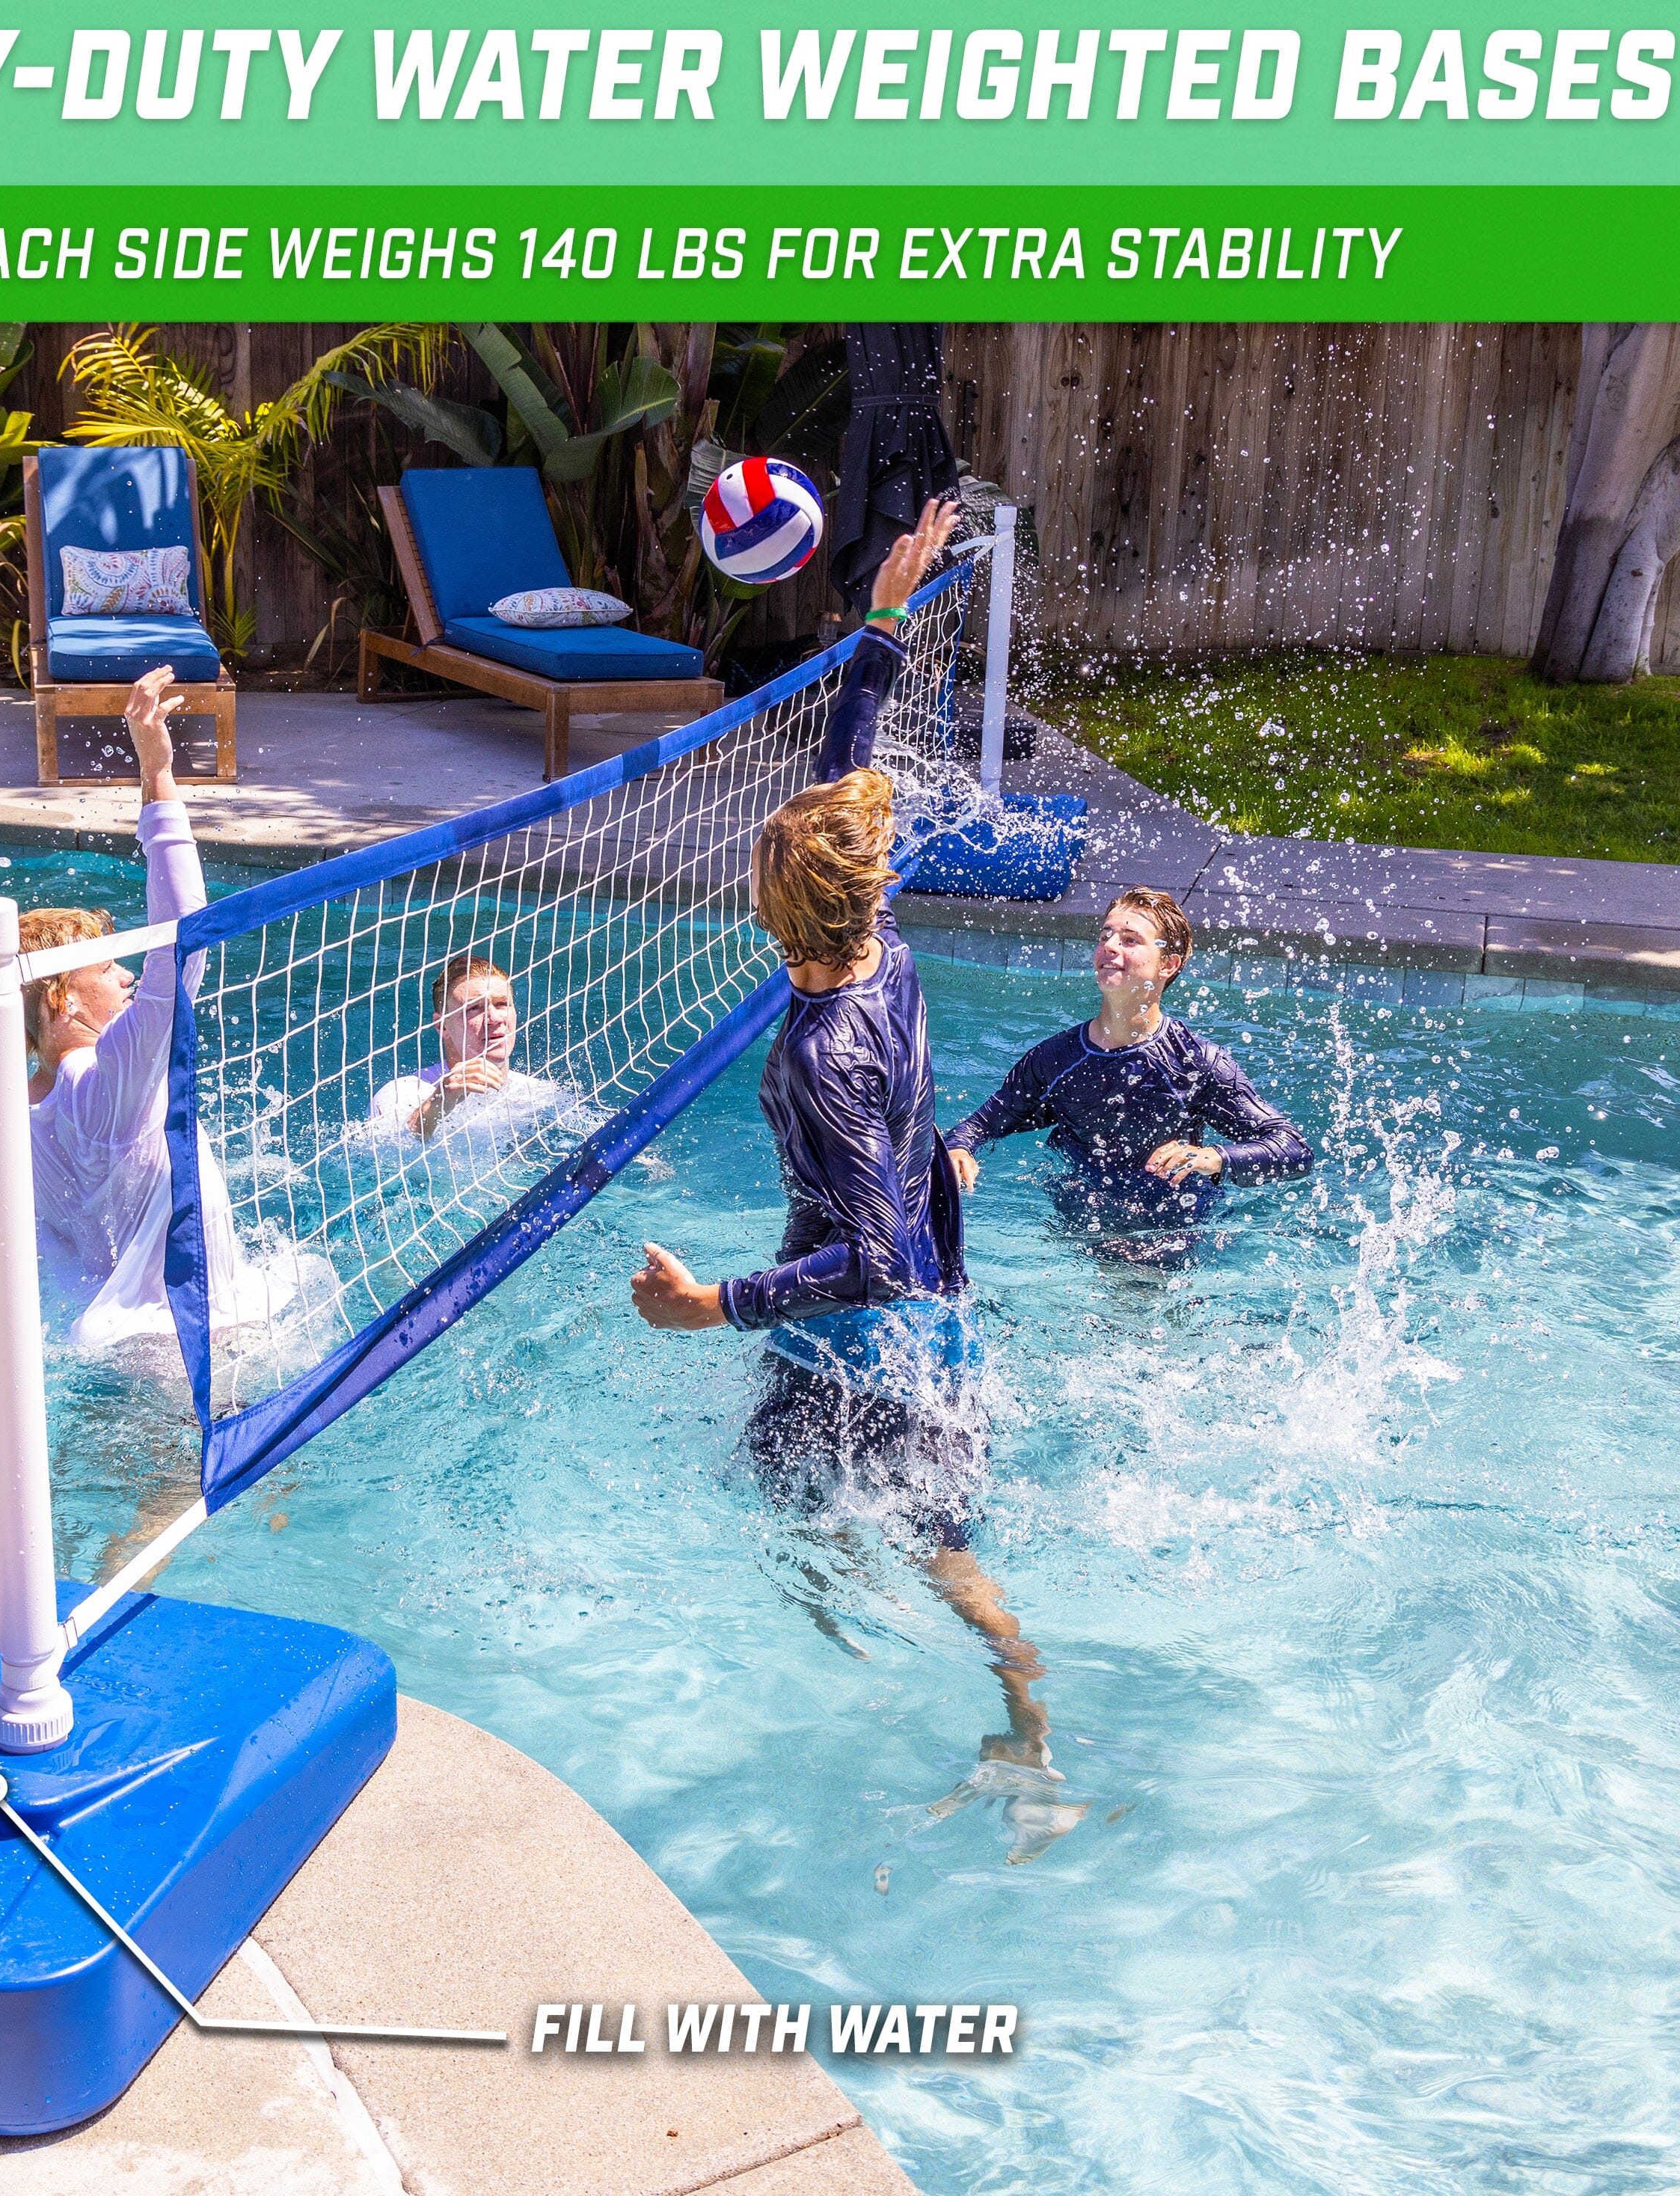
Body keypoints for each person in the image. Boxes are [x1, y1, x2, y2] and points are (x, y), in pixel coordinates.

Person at [628, 501, 1051, 1766]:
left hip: (881, 1340)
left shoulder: (826, 1053)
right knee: (790, 1507)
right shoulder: (883, 943)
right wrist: (878, 622)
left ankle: (1029, 1725)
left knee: (939, 1553)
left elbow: (867, 1256)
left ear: (776, 915)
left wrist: (718, 1305)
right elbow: (851, 766)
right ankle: (854, 1699)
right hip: (878, 1332)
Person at [24, 667, 322, 1348]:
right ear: (65, 997)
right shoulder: (104, 1082)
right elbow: (183, 942)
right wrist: (156, 769)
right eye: (107, 966)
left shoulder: (19, 1115)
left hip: (129, 1339)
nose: (127, 974)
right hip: (199, 1339)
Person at [944, 887, 1312, 1260]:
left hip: (1170, 1228)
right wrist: (959, 1148)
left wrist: (1211, 1158)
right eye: (1105, 937)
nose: (1110, 947)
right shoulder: (1056, 1059)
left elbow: (1293, 1150)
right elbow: (983, 1122)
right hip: (1078, 1223)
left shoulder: (1195, 1062)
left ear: (1167, 964)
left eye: (1130, 940)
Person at [367, 951, 558, 1141]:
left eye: (501, 1004)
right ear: (442, 1026)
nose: (494, 1019)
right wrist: (439, 1103)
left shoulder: (540, 1095)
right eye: (474, 1008)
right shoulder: (403, 1093)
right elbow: (396, 1147)